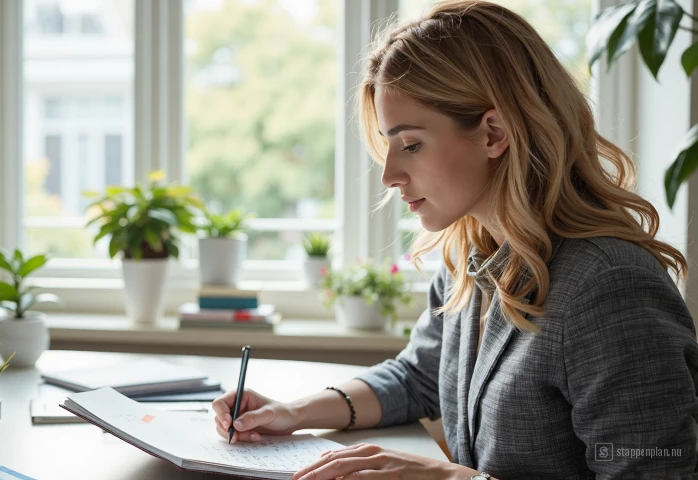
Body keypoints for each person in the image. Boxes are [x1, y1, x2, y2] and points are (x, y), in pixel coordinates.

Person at [211, 1, 698, 479]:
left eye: (412, 145)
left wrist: (449, 479)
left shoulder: (609, 287)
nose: (389, 175)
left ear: (493, 133)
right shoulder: (475, 254)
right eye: (388, 146)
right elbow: (418, 376)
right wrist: (293, 413)